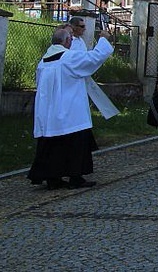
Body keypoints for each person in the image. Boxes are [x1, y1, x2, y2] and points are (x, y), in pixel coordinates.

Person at [28, 28, 113, 189]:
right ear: (67, 41)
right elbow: (93, 58)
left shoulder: (44, 60)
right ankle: (75, 176)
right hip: (70, 110)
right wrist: (103, 39)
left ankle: (53, 177)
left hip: (49, 111)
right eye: (71, 39)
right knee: (74, 143)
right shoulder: (68, 57)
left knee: (52, 145)